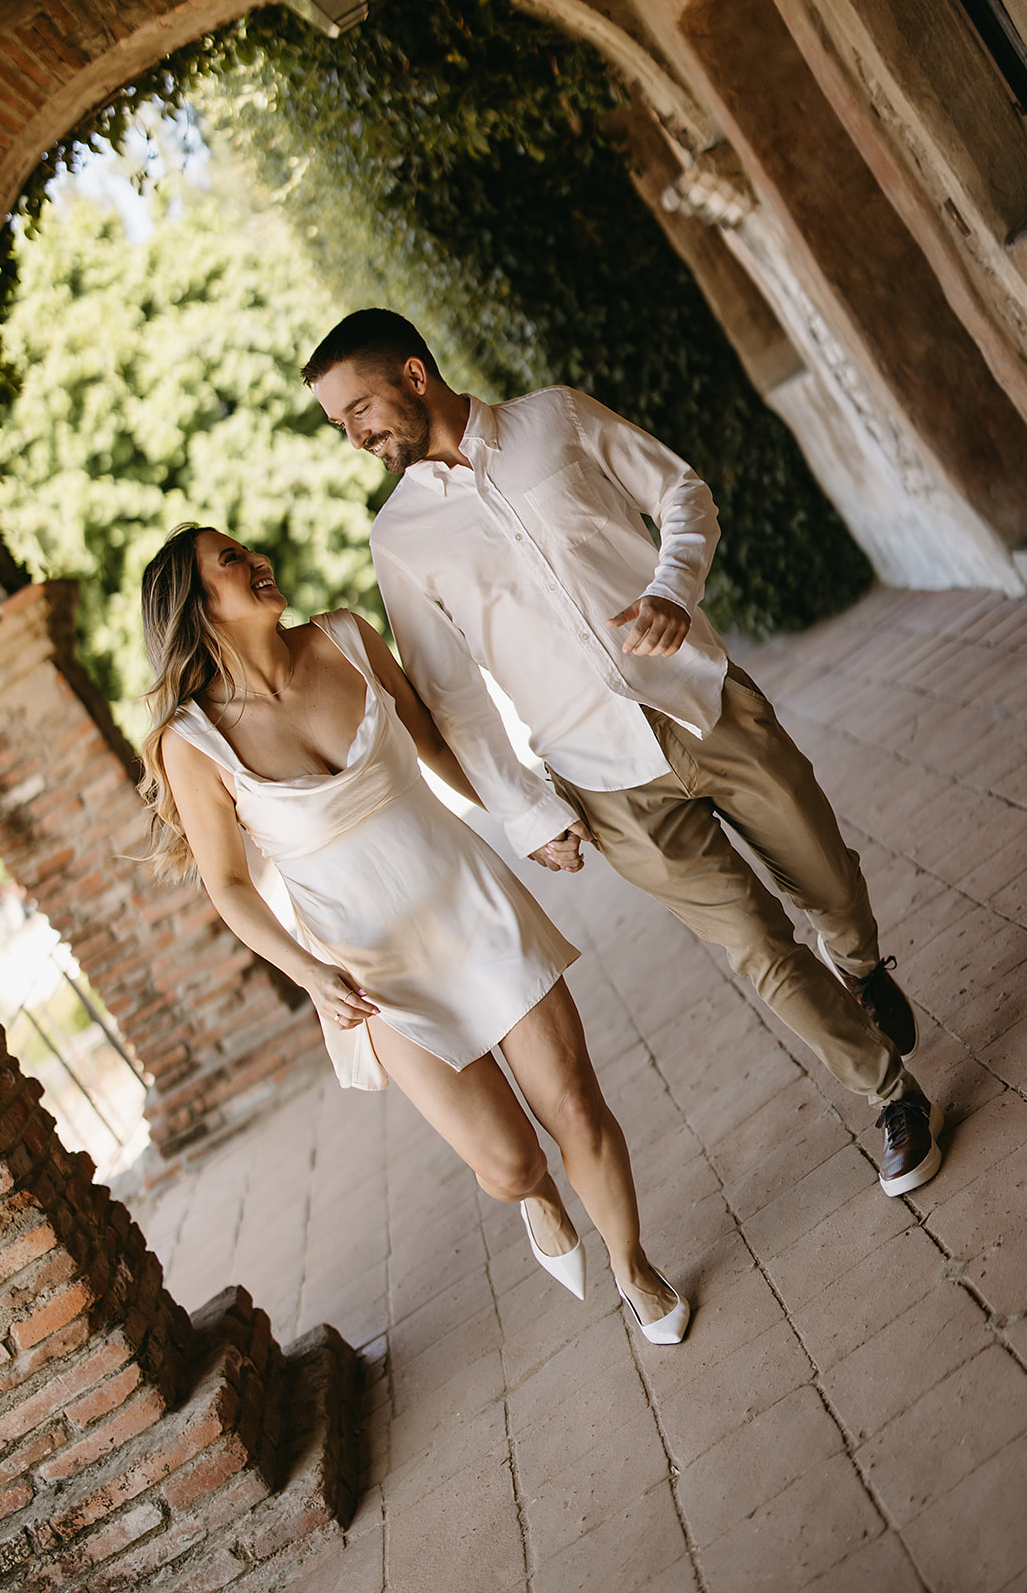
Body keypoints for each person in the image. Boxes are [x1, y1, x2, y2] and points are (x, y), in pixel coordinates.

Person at [301, 308, 945, 1200]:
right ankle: (891, 1096)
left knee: (827, 881)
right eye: (340, 424)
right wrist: (528, 814)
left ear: (413, 376)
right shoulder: (399, 539)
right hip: (604, 785)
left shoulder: (553, 419)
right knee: (754, 945)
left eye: (359, 408)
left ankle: (862, 964)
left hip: (704, 705)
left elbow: (682, 493)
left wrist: (671, 588)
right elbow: (449, 698)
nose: (354, 434)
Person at [138, 523, 689, 1345]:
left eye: (249, 548)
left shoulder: (345, 636)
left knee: (574, 1103)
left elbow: (435, 743)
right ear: (197, 607)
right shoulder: (194, 740)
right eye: (230, 561)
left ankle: (632, 1266)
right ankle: (539, 1201)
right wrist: (308, 973)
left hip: (471, 904)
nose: (256, 559)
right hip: (372, 973)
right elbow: (226, 884)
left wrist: (527, 819)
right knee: (509, 1162)